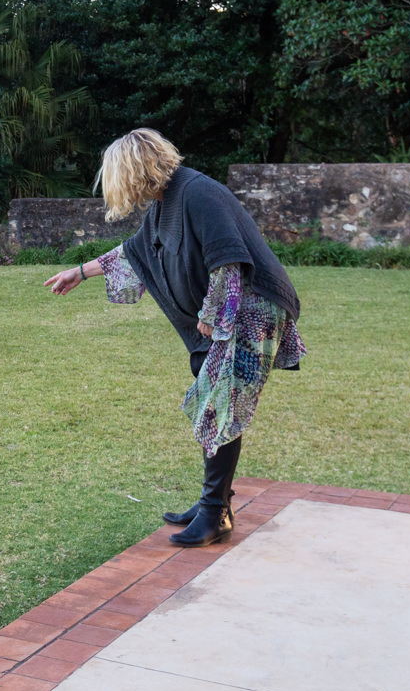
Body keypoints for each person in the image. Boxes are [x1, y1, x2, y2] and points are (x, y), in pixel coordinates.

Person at [45, 128, 306, 548]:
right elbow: (136, 251)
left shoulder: (198, 193)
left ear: (133, 170)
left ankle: (213, 512)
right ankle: (215, 500)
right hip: (226, 312)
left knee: (219, 402)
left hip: (251, 309)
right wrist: (81, 271)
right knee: (213, 398)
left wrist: (213, 313)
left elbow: (230, 258)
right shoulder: (166, 201)